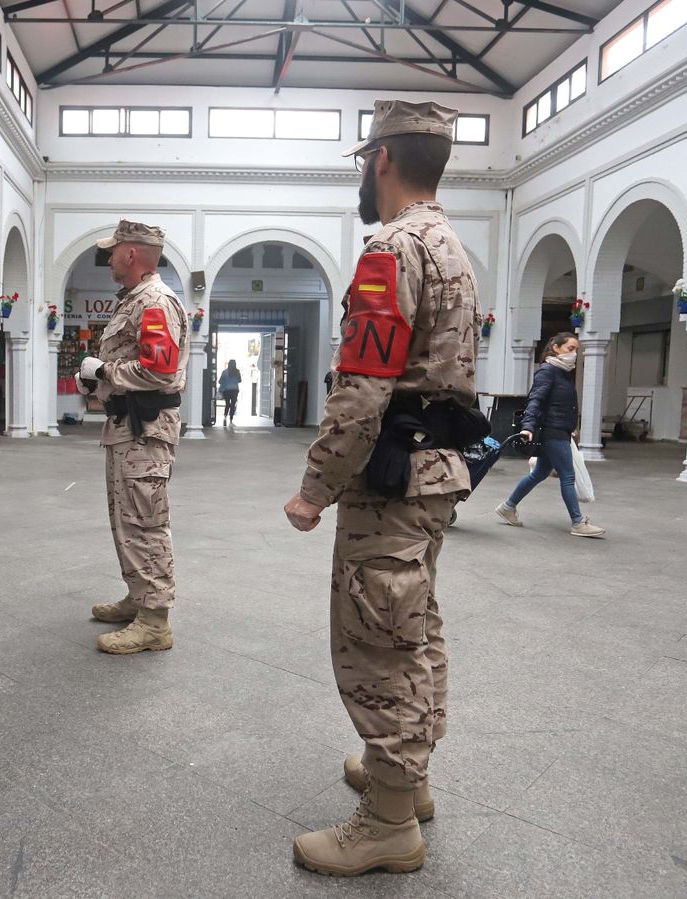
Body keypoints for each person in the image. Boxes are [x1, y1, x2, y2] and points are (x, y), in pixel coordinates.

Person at [282, 99, 479, 876]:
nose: (366, 174)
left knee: (378, 639)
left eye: (367, 160)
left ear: (384, 160)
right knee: (413, 625)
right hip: (432, 474)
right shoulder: (451, 245)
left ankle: (390, 822)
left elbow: (363, 384)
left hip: (390, 481)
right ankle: (409, 776)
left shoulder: (392, 250)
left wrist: (314, 487)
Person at [77, 220, 188, 654]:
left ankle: (155, 622)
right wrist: (97, 384)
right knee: (126, 519)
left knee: (145, 522)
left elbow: (159, 372)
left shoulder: (155, 301)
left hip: (145, 432)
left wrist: (103, 372)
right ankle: (139, 598)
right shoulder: (136, 301)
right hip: (126, 428)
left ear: (131, 253)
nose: (108, 259)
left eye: (113, 250)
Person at [495, 332, 606, 538]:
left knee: (539, 473)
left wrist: (571, 426)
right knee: (568, 475)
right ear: (556, 347)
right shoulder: (548, 371)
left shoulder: (562, 372)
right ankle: (578, 522)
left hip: (558, 430)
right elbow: (535, 400)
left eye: (576, 350)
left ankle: (508, 507)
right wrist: (527, 426)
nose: (574, 354)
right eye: (570, 349)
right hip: (552, 431)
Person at [218, 359, 242, 426]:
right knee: (233, 405)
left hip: (226, 390)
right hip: (235, 390)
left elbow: (220, 381)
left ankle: (225, 418)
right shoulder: (237, 372)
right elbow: (240, 380)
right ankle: (231, 421)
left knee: (227, 404)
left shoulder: (224, 372)